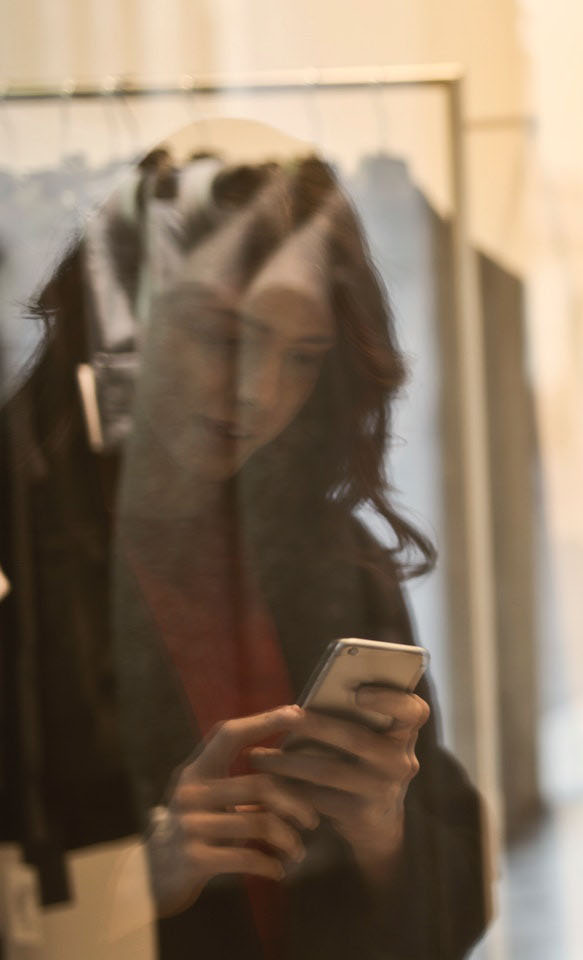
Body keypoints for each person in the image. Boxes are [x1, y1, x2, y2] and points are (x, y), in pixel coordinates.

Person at [0, 123, 488, 958]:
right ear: (120, 318)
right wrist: (145, 875)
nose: (256, 395)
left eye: (300, 357)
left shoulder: (337, 556)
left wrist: (383, 835)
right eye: (221, 338)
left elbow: (456, 901)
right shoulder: (20, 544)